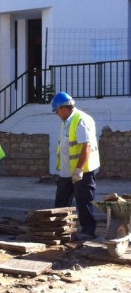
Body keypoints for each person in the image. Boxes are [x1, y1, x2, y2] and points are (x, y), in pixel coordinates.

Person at [51, 92, 100, 241]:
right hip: (66, 172)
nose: (56, 114)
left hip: (82, 171)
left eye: (57, 111)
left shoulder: (81, 120)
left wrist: (78, 170)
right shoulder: (66, 122)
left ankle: (88, 231)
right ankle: (60, 229)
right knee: (61, 203)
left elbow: (86, 146)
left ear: (64, 108)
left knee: (83, 202)